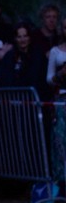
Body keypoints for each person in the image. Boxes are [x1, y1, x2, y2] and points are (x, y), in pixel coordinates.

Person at [46, 17, 66, 188]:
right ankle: (61, 182)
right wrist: (61, 74)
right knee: (60, 140)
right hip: (61, 101)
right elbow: (49, 79)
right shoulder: (55, 52)